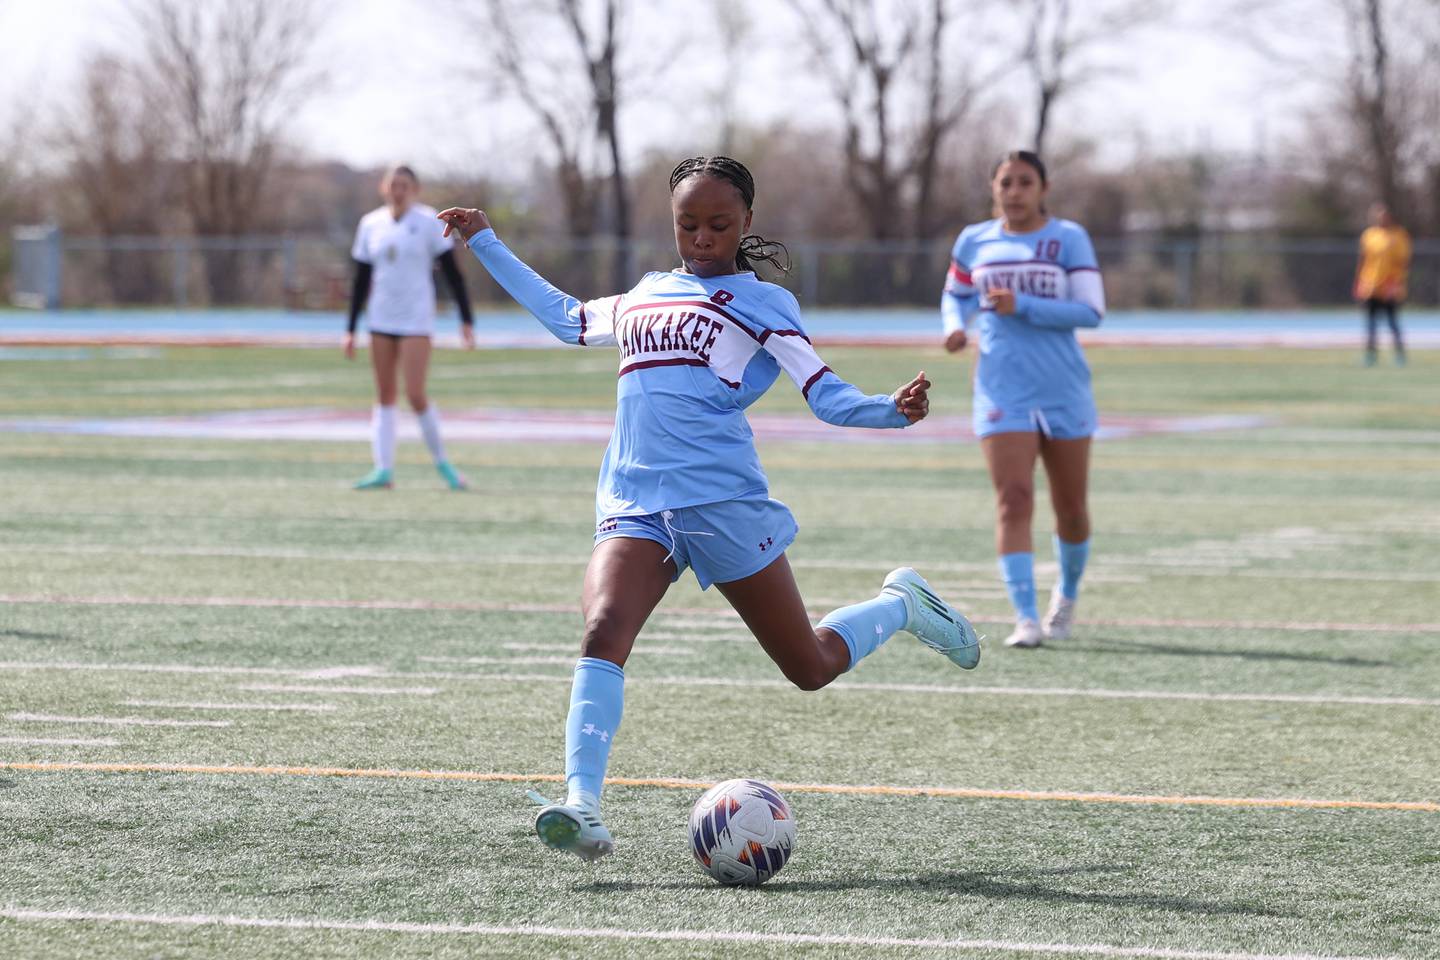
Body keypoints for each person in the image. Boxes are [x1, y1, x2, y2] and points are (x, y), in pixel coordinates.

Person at [438, 155, 980, 863]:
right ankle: (583, 806)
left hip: (723, 504)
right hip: (636, 504)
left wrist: (890, 411)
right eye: (687, 223)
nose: (700, 237)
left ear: (747, 223)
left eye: (718, 225)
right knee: (604, 628)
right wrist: (484, 239)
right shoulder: (645, 294)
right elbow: (567, 320)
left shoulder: (764, 303)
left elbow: (823, 392)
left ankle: (902, 604)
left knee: (810, 666)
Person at [940, 150, 1105, 649]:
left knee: (1071, 507)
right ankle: (1026, 617)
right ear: (994, 188)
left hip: (1062, 388)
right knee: (1013, 499)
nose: (1014, 191)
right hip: (1000, 387)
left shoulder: (1068, 238)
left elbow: (1091, 311)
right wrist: (953, 327)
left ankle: (1066, 597)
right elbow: (957, 294)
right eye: (1006, 182)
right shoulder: (975, 240)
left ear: (1043, 189)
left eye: (1025, 182)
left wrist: (1025, 305)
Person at [346, 164, 476, 490]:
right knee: (384, 395)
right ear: (383, 188)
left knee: (415, 394)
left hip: (416, 319)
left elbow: (452, 274)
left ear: (414, 189)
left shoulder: (428, 221)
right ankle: (383, 470)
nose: (398, 190)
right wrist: (350, 327)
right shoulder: (371, 224)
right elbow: (360, 278)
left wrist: (466, 319)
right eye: (393, 184)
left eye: (405, 185)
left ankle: (444, 465)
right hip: (380, 319)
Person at [1354, 202, 1412, 367]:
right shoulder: (1369, 235)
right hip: (1371, 285)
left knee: (1393, 322)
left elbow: (1403, 261)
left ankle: (1400, 355)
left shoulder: (1399, 235)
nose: (1380, 218)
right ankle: (1370, 355)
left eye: (1383, 215)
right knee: (1370, 323)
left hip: (1390, 286)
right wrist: (1359, 281)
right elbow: (1363, 259)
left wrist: (1395, 283)